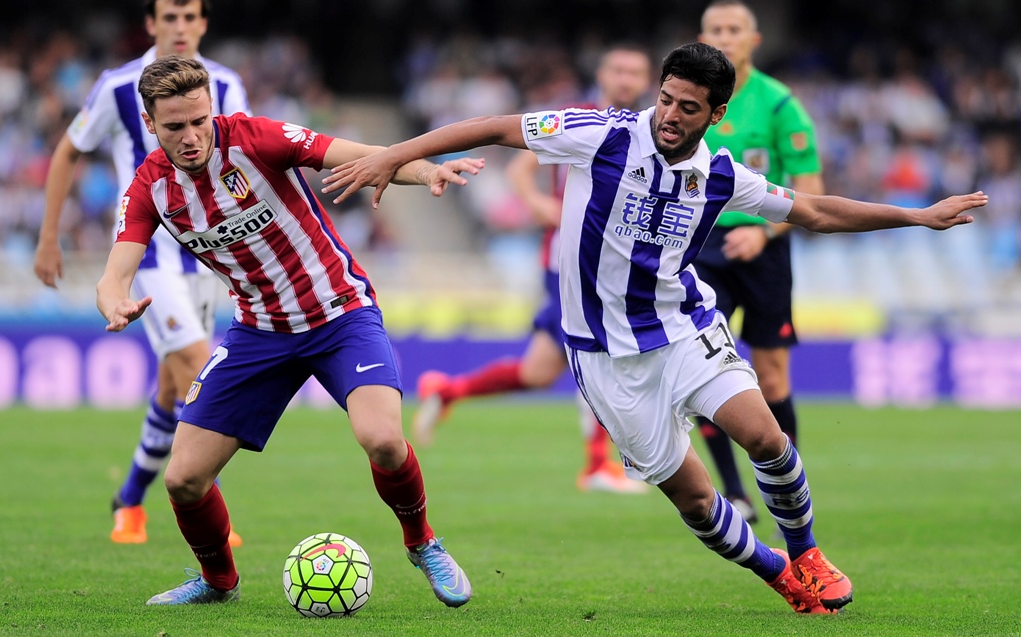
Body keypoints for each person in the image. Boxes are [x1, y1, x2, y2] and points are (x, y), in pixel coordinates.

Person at [323, 42, 985, 614]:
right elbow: (496, 127)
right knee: (697, 503)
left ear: (715, 115)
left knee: (767, 436)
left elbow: (813, 209)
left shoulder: (721, 174)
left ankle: (809, 553)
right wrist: (392, 157)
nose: (671, 115)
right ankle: (777, 571)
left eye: (688, 107)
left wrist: (917, 216)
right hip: (607, 359)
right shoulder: (604, 134)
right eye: (666, 99)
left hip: (683, 328)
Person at [98, 55, 482, 607]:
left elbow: (363, 158)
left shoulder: (258, 139)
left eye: (199, 120)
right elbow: (115, 275)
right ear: (150, 124)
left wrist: (426, 171)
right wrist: (115, 303)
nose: (190, 136)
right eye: (175, 126)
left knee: (384, 441)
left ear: (212, 110)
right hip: (259, 333)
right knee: (183, 479)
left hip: (340, 314)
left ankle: (423, 543)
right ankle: (217, 582)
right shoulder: (150, 187)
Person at [33, 0, 249, 546]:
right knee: (201, 369)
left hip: (205, 252)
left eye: (189, 16)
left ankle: (129, 498)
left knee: (174, 387)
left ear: (203, 23)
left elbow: (241, 159)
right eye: (168, 17)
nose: (179, 27)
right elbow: (68, 151)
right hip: (148, 251)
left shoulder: (225, 84)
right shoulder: (118, 85)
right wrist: (48, 236)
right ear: (151, 24)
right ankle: (213, 521)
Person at [413, 44, 652, 494]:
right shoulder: (577, 118)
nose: (625, 78)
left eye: (634, 71)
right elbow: (522, 167)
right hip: (569, 258)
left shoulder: (650, 128)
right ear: (601, 74)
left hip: (610, 260)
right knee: (603, 351)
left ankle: (446, 390)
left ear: (646, 81)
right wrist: (538, 202)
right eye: (617, 69)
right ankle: (598, 465)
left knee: (539, 372)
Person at [691, 0, 826, 524]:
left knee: (770, 380)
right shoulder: (689, 100)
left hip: (765, 253)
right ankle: (734, 492)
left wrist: (765, 231)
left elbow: (811, 190)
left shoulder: (778, 105)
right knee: (704, 370)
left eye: (734, 30)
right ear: (702, 37)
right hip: (699, 250)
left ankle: (787, 486)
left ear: (754, 40)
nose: (725, 37)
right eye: (715, 29)